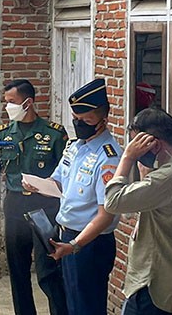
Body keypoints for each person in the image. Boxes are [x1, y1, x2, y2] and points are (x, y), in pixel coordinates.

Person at [25, 78, 121, 315]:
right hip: (66, 234)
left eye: (86, 121)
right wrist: (37, 185)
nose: (79, 125)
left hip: (90, 242)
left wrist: (75, 246)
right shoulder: (74, 147)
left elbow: (106, 214)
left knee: (86, 307)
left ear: (103, 119)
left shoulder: (108, 157)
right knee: (70, 304)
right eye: (76, 119)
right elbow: (58, 182)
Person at [104, 108, 172, 315]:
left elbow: (113, 201)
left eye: (137, 145)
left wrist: (127, 158)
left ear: (154, 144)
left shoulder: (168, 176)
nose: (136, 152)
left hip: (152, 287)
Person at [0, 79, 68, 315]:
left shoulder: (54, 134)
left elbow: (67, 173)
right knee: (17, 269)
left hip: (45, 207)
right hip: (15, 205)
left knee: (48, 268)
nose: (7, 107)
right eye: (6, 101)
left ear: (28, 103)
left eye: (12, 102)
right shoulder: (2, 135)